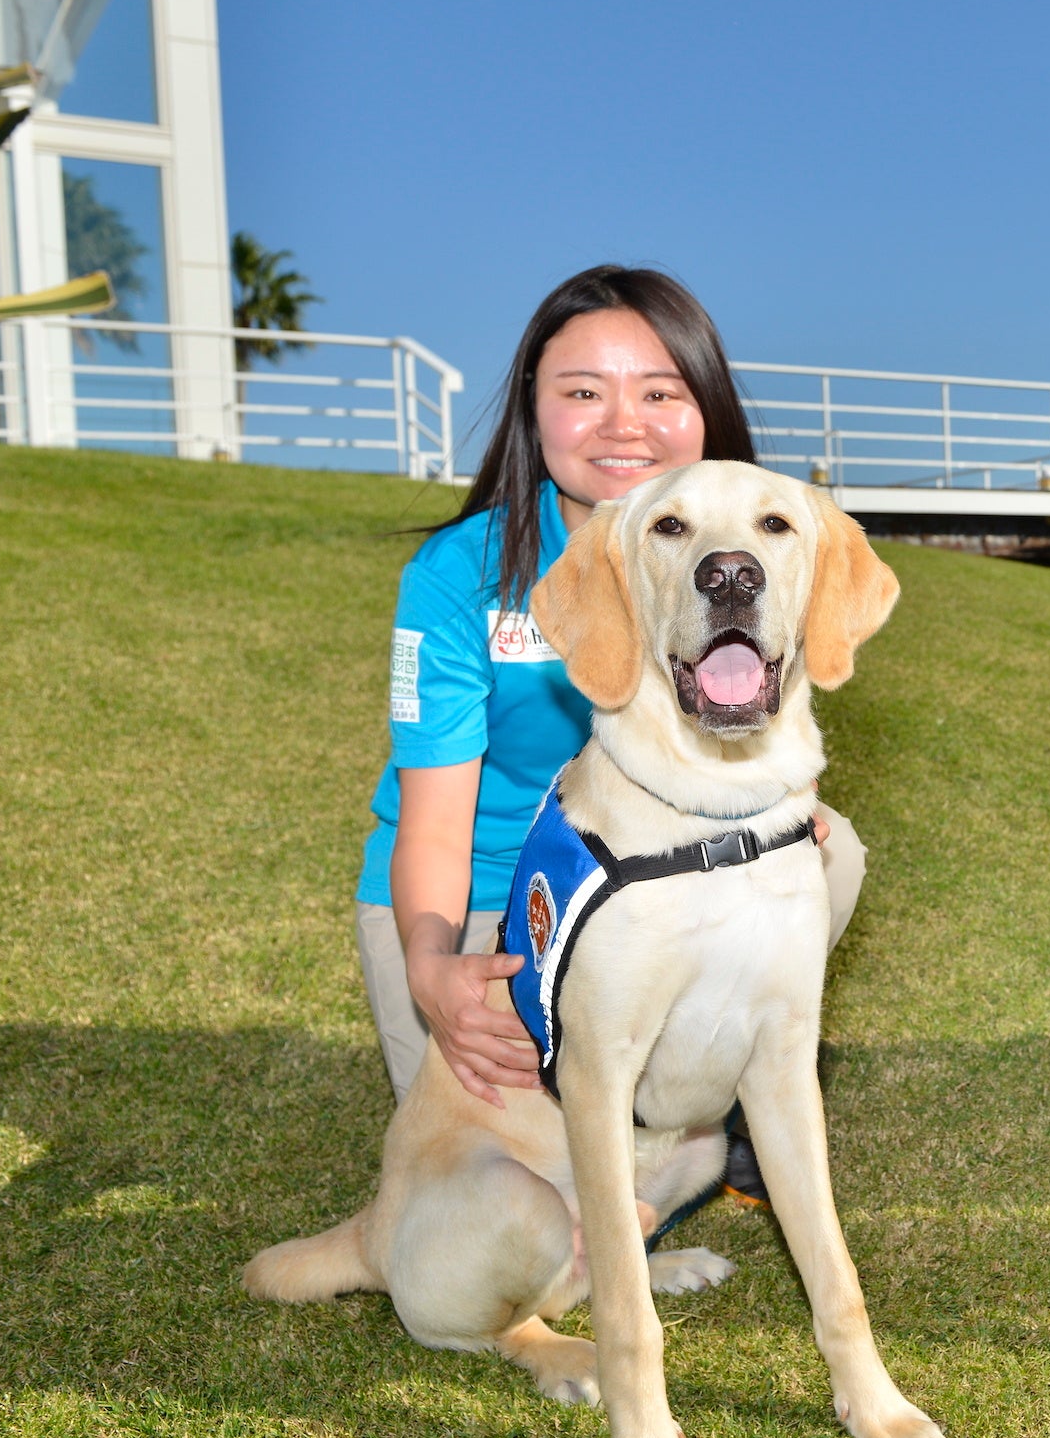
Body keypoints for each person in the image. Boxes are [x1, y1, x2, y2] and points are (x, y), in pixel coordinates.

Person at [355, 265, 868, 1187]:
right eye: (583, 391)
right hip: (488, 899)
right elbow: (432, 818)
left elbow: (772, 711)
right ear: (533, 408)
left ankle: (732, 1071)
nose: (622, 422)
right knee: (502, 1186)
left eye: (659, 392)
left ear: (706, 409)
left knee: (831, 850)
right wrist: (433, 967)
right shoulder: (457, 574)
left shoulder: (754, 544)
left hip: (662, 868)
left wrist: (783, 819)